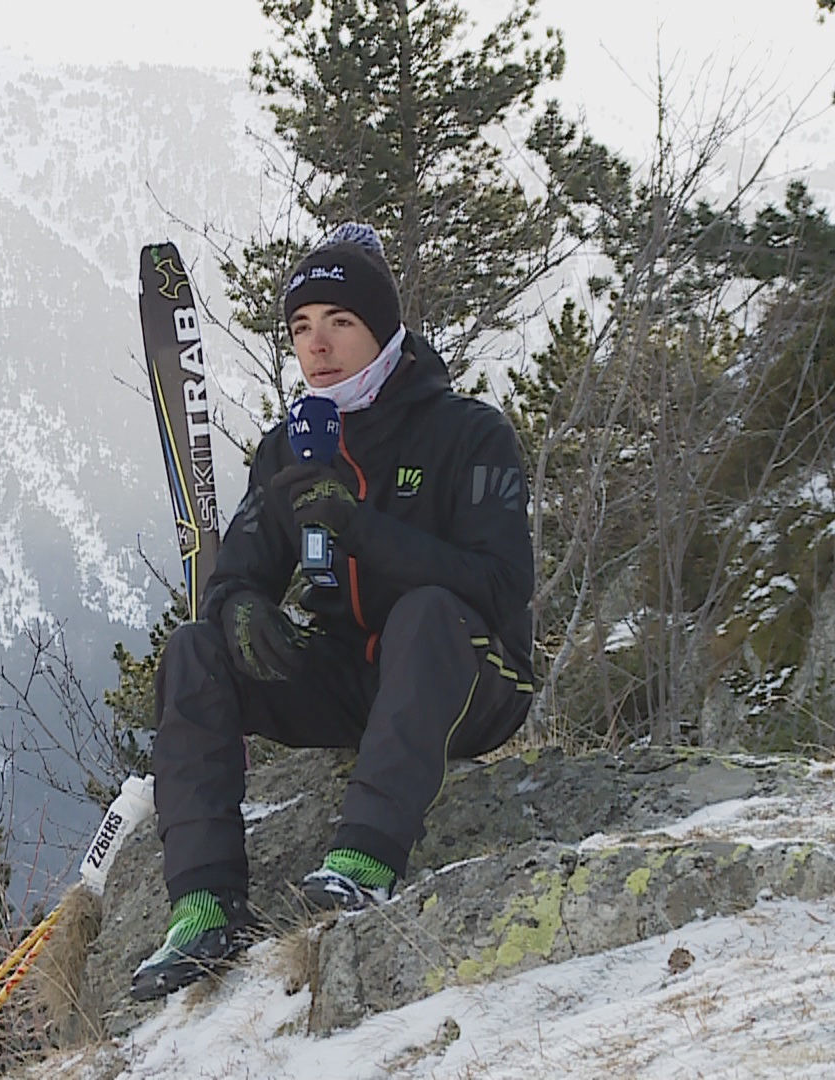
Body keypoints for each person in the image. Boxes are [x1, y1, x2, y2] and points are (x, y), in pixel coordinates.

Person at [130, 223, 537, 1001]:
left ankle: (366, 861)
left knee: (423, 611)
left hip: (472, 681)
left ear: (383, 330)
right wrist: (242, 608)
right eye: (301, 328)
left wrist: (362, 528)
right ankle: (204, 905)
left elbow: (499, 585)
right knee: (194, 648)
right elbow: (236, 576)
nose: (317, 345)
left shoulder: (468, 433)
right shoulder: (290, 448)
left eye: (340, 323)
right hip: (356, 686)